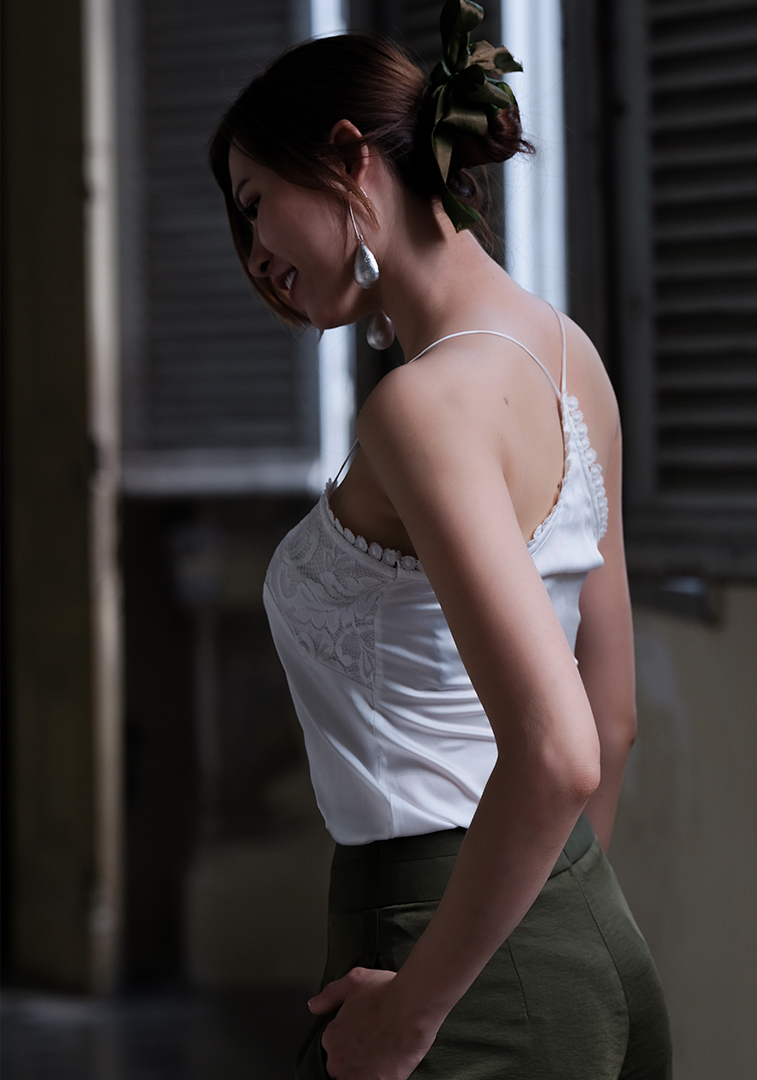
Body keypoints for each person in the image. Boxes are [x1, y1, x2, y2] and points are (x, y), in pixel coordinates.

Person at [209, 3, 671, 1077]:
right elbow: (612, 716)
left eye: (255, 204)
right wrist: (551, 925)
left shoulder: (421, 408)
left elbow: (563, 746)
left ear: (347, 157)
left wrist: (419, 1006)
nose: (254, 255)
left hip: (438, 945)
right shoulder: (570, 359)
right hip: (583, 932)